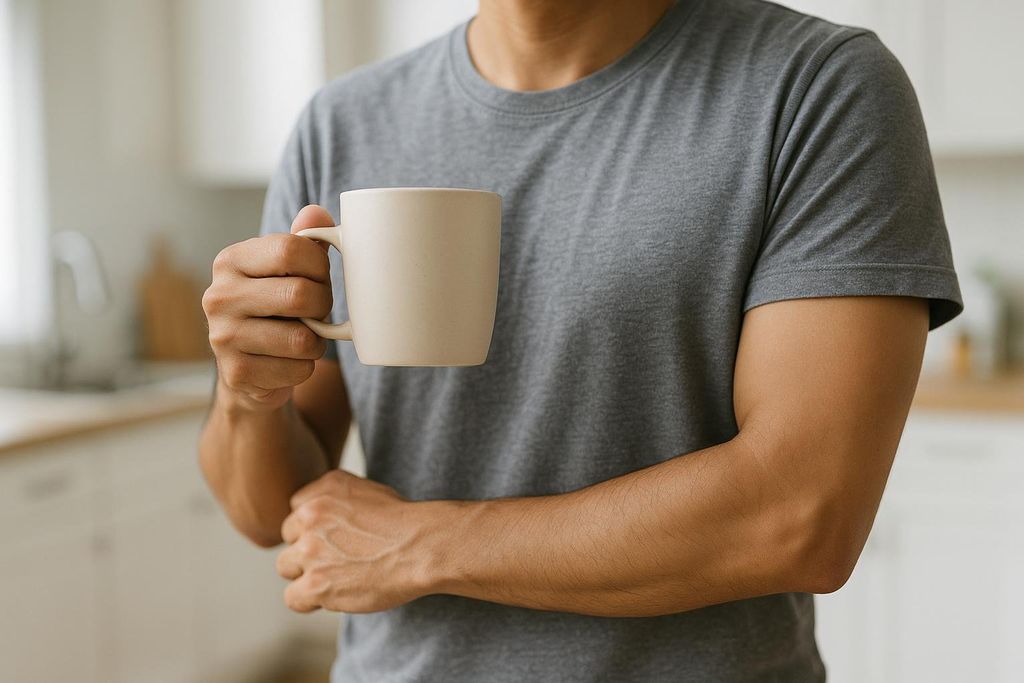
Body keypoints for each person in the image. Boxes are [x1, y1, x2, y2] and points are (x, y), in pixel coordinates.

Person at [199, 0, 962, 680]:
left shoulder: (818, 88)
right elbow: (272, 513)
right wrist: (248, 393)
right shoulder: (340, 124)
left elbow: (801, 515)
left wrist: (422, 544)